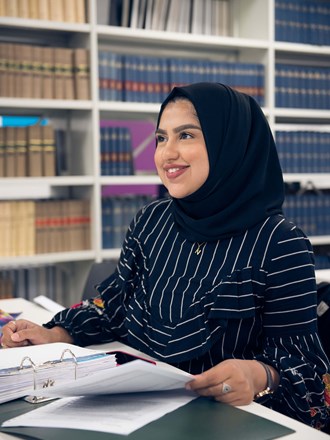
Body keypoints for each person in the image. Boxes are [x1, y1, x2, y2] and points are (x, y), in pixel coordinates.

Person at [2, 82, 330, 430]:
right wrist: (55, 333)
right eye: (161, 138)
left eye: (186, 135)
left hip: (226, 421)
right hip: (134, 411)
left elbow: (305, 371)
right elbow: (112, 308)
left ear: (230, 145)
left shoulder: (280, 243)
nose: (166, 153)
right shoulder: (151, 221)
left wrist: (258, 374)